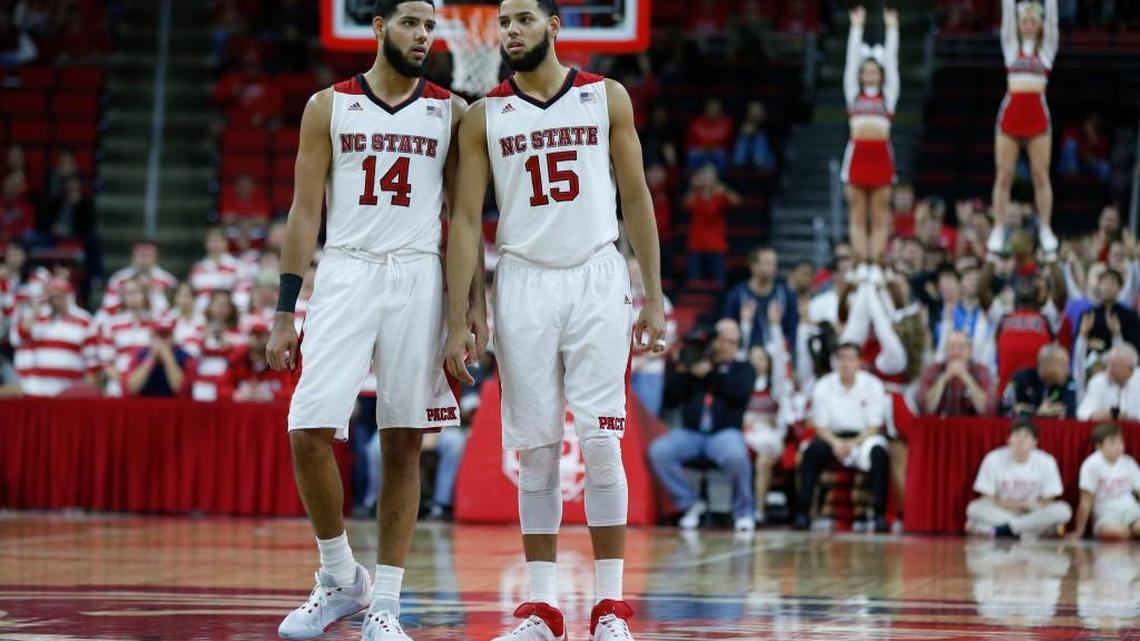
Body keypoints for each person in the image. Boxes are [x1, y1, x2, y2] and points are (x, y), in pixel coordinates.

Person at [443, 1, 667, 639]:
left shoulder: (606, 97)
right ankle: (541, 610)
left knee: (601, 442)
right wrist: (468, 309)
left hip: (596, 276)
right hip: (522, 281)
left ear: (553, 27)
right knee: (536, 452)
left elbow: (637, 198)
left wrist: (652, 294)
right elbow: (464, 221)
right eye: (504, 23)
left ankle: (609, 608)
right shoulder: (485, 114)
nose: (510, 31)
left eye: (522, 20)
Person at [266, 2, 472, 640]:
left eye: (429, 26)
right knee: (308, 427)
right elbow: (305, 213)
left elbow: (465, 224)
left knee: (403, 442)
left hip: (418, 273)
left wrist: (467, 315)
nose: (422, 36)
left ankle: (385, 603)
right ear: (379, 26)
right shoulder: (327, 106)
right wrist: (283, 312)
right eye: (410, 22)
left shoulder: (452, 111)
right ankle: (339, 576)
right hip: (347, 269)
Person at [650, 319, 757, 533]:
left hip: (724, 433)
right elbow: (671, 399)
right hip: (692, 434)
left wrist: (710, 373)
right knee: (659, 450)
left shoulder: (743, 368)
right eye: (722, 340)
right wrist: (684, 372)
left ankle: (744, 512)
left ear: (738, 345)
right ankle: (689, 504)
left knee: (736, 455)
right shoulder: (695, 363)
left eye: (732, 342)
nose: (725, 345)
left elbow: (738, 392)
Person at [989, 0, 1060, 257]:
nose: (1029, 26)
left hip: (1038, 119)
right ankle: (997, 227)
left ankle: (1045, 227)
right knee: (1004, 175)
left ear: (1039, 26)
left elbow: (1053, 21)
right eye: (1025, 22)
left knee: (1041, 175)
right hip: (1010, 117)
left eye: (1033, 22)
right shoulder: (1011, 49)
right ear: (1019, 26)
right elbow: (1007, 16)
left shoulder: (1046, 52)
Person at [797, 342, 891, 533]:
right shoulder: (823, 385)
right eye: (841, 358)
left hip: (863, 437)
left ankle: (879, 514)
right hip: (832, 437)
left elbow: (874, 425)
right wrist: (836, 443)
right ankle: (803, 512)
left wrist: (853, 443)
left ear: (859, 362)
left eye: (850, 358)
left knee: (879, 453)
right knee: (811, 452)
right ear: (835, 362)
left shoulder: (873, 385)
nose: (845, 363)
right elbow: (819, 425)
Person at [840, 6, 899, 266]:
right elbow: (851, 61)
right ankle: (861, 262)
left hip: (881, 157)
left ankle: (875, 261)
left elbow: (894, 62)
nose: (871, 74)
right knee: (857, 214)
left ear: (881, 74)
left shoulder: (889, 96)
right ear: (862, 74)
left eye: (876, 70)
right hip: (857, 155)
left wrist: (892, 29)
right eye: (867, 70)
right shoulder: (853, 94)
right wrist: (856, 28)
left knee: (879, 215)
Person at [966, 420, 1071, 539]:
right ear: (1008, 440)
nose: (1020, 440)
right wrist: (1016, 505)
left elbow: (1048, 498)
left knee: (1063, 510)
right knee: (974, 508)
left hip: (1033, 512)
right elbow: (986, 496)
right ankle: (1029, 531)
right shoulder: (993, 458)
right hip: (1002, 510)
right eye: (1016, 435)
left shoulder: (1047, 461)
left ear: (1035, 442)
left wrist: (1028, 507)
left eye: (1026, 436)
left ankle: (1004, 530)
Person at [8, 278, 98, 396]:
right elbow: (16, 339)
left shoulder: (84, 320)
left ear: (70, 296)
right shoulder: (32, 317)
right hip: (30, 390)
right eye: (52, 296)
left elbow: (92, 361)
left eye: (60, 296)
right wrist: (34, 312)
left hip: (66, 393)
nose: (56, 300)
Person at [722, 245, 798, 355]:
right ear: (753, 266)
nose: (773, 268)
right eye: (767, 263)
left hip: (778, 358)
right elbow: (728, 329)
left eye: (774, 263)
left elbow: (792, 332)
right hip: (745, 356)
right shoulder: (737, 295)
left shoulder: (787, 295)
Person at [1071, 423, 1140, 541]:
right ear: (1099, 446)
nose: (1119, 447)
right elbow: (1085, 502)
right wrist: (1079, 531)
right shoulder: (1091, 465)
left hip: (1131, 511)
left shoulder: (1129, 462)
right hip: (1106, 515)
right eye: (1112, 443)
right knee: (1117, 533)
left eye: (1120, 442)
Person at [682, 164, 741, 287]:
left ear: (716, 178)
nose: (707, 180)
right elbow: (685, 204)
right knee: (694, 284)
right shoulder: (695, 195)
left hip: (717, 245)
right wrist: (693, 188)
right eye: (704, 176)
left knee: (719, 284)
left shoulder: (720, 194)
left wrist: (724, 189)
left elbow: (737, 201)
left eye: (710, 176)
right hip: (696, 244)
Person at [916, 331, 995, 417]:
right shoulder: (933, 370)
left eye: (961, 348)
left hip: (973, 428)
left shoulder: (981, 370)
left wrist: (966, 377)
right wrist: (943, 379)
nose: (956, 352)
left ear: (970, 351)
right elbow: (925, 409)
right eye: (951, 347)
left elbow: (988, 410)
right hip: (940, 428)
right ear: (945, 351)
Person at [1001, 343, 1076, 418]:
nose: (1067, 371)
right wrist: (1037, 413)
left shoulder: (1068, 381)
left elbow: (1070, 413)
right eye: (1063, 366)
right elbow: (1004, 409)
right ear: (1047, 366)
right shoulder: (1022, 379)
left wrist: (1027, 410)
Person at [1076, 344, 1140, 421]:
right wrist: (1095, 415)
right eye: (1109, 364)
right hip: (1106, 430)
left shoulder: (1137, 380)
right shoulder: (1098, 381)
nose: (1109, 369)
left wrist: (1131, 417)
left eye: (1115, 366)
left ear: (1130, 370)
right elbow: (1082, 413)